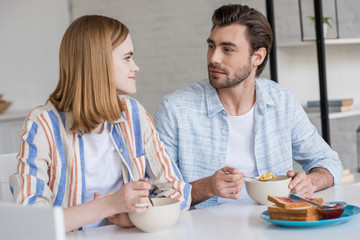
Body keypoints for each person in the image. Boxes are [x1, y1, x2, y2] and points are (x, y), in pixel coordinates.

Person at [10, 15, 191, 232]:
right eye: (127, 58)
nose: (135, 67)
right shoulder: (42, 124)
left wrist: (132, 217)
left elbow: (177, 191)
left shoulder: (134, 114)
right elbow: (32, 222)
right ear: (98, 63)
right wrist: (109, 204)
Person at [154, 4, 343, 209]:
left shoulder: (281, 101)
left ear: (258, 57)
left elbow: (329, 162)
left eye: (227, 49)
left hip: (274, 224)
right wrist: (207, 187)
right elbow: (156, 193)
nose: (214, 58)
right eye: (211, 46)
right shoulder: (175, 110)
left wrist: (310, 182)